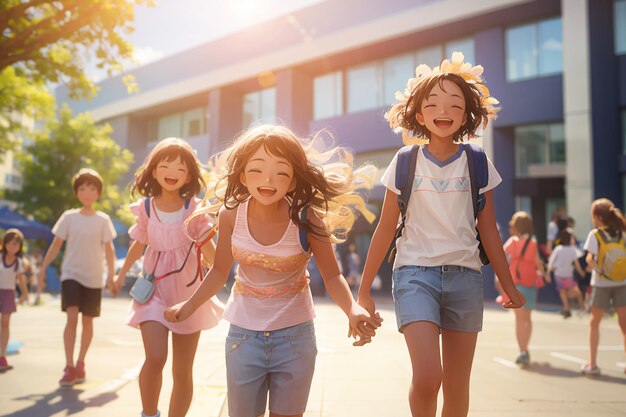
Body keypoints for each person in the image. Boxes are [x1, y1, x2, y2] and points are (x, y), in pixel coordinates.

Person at [164, 124, 382, 417]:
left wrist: (352, 309)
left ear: (292, 180)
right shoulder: (231, 215)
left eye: (280, 171)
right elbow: (218, 272)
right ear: (242, 175)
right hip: (243, 336)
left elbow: (332, 275)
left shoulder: (308, 218)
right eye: (256, 170)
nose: (268, 180)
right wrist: (188, 306)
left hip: (295, 338)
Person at [357, 52, 525, 417]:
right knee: (428, 376)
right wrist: (364, 290)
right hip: (414, 275)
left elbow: (489, 230)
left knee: (457, 385)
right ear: (419, 114)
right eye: (432, 103)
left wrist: (508, 285)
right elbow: (385, 228)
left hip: (465, 278)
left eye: (455, 104)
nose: (443, 110)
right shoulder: (404, 161)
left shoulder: (478, 161)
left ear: (466, 115)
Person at [113, 138, 224, 417]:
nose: (172, 171)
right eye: (165, 164)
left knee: (182, 370)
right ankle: (149, 413)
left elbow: (211, 254)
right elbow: (138, 244)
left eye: (181, 167)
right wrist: (121, 274)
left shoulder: (194, 210)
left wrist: (226, 271)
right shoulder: (146, 208)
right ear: (154, 170)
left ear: (189, 175)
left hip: (188, 295)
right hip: (153, 292)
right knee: (156, 356)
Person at [37, 168, 117, 386]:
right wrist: (43, 268)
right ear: (77, 193)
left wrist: (111, 277)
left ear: (98, 193)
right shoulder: (68, 217)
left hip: (94, 276)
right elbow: (56, 244)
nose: (87, 193)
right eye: (82, 189)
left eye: (92, 189)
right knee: (72, 318)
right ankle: (69, 366)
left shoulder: (103, 220)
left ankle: (81, 362)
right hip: (71, 273)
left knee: (88, 321)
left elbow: (110, 251)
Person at [581, 198, 626, 376]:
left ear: (598, 217)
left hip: (601, 284)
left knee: (594, 323)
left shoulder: (596, 234)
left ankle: (592, 364)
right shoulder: (622, 233)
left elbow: (589, 259)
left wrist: (594, 266)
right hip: (622, 282)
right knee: (624, 325)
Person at [503, 211, 548, 367]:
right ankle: (526, 348)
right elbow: (538, 263)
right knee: (528, 319)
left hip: (516, 283)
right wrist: (544, 273)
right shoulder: (532, 243)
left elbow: (501, 255)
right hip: (530, 283)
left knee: (519, 320)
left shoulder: (513, 241)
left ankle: (522, 351)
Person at [0, 229, 28, 371]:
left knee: (5, 323)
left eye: (17, 245)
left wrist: (24, 294)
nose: (13, 247)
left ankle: (2, 356)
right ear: (5, 244)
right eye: (11, 244)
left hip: (9, 294)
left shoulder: (18, 262)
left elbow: (21, 278)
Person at [548, 229, 585, 318]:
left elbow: (551, 261)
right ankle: (582, 306)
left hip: (558, 274)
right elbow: (576, 263)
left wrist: (548, 272)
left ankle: (567, 308)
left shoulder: (558, 249)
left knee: (562, 291)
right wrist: (581, 272)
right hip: (568, 275)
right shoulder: (573, 249)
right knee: (575, 291)